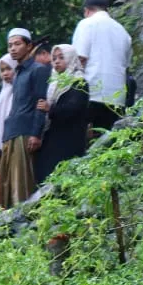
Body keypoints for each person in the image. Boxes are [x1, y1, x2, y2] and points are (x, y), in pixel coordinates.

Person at [0, 28, 47, 209]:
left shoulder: (38, 70)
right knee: (7, 183)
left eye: (17, 44)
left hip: (25, 131)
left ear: (29, 46)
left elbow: (41, 103)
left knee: (22, 182)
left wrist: (35, 133)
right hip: (11, 130)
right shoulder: (18, 72)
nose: (12, 48)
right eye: (10, 45)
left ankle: (24, 215)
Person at [71, 0, 133, 130]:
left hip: (91, 92)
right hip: (117, 98)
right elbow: (126, 66)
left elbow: (80, 59)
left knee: (85, 138)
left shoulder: (86, 24)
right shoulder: (123, 31)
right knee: (107, 137)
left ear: (87, 11)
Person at [34, 43, 92, 185]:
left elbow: (74, 108)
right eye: (54, 58)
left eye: (61, 57)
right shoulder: (54, 83)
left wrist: (50, 109)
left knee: (63, 175)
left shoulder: (79, 82)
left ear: (71, 58)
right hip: (53, 134)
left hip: (70, 137)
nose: (57, 61)